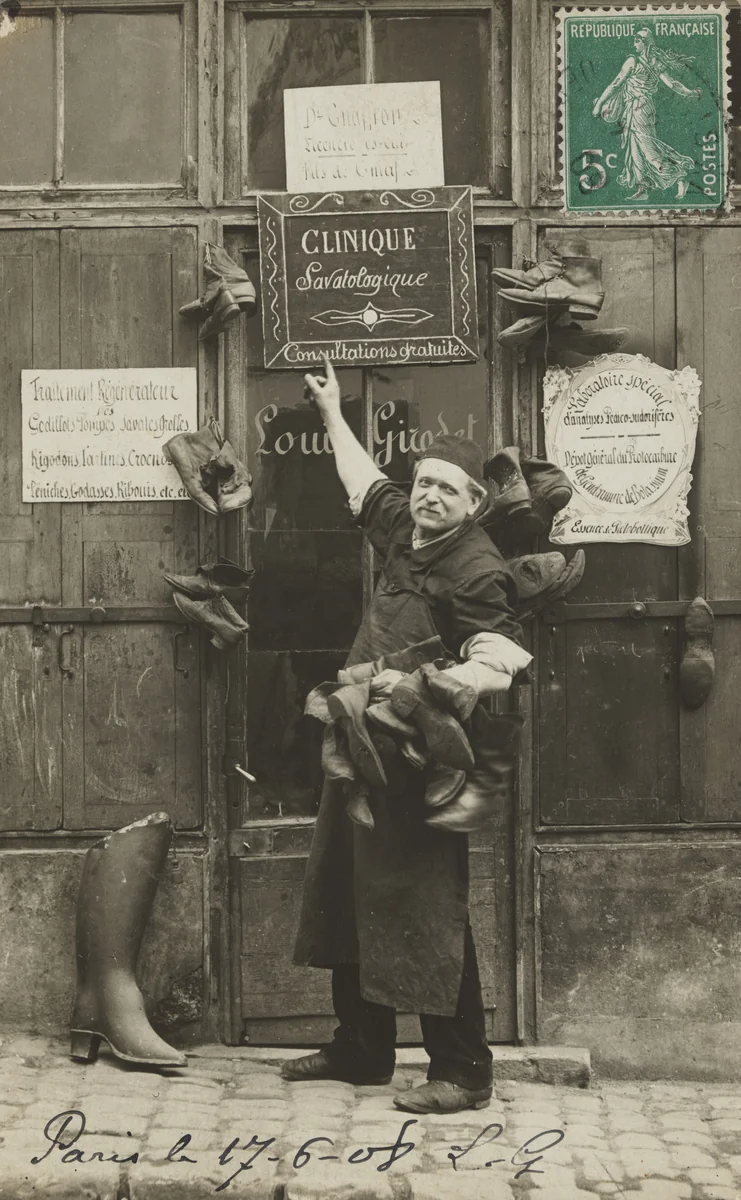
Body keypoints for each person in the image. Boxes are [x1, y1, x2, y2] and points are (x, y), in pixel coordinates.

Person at [282, 357, 532, 1115]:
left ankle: (463, 1070)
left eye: (444, 489)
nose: (426, 495)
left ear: (474, 504)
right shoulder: (406, 529)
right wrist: (330, 410)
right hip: (359, 749)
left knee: (422, 907)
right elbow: (366, 484)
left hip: (421, 763)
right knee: (346, 890)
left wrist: (445, 683)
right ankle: (362, 1048)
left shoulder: (477, 570)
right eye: (423, 482)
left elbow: (503, 656)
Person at [592, 27, 702, 201]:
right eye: (635, 39)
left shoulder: (633, 61)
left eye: (638, 40)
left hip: (638, 107)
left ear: (646, 43)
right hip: (642, 107)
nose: (635, 42)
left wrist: (599, 105)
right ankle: (642, 189)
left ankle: (679, 175)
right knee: (635, 148)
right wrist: (690, 93)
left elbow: (615, 84)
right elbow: (673, 84)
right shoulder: (656, 62)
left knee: (647, 148)